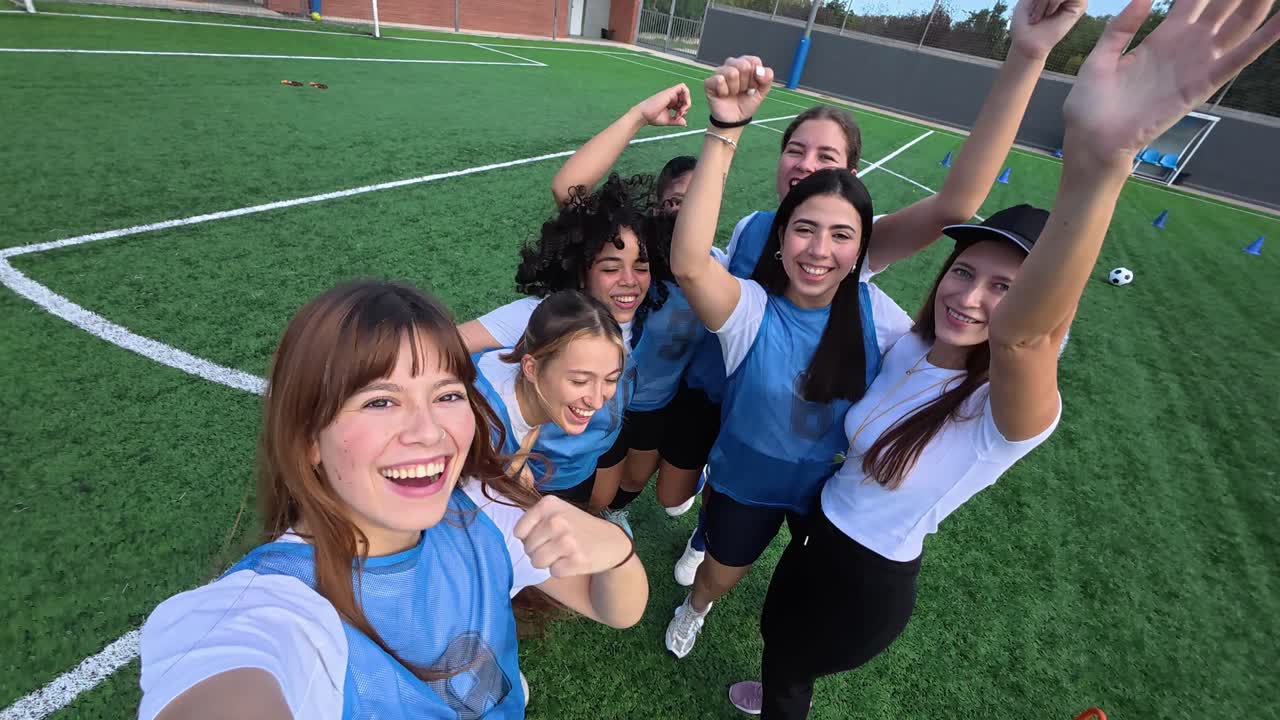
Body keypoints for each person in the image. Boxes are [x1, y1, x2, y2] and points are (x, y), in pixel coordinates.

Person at [726, 0, 1280, 715]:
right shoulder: (906, 341)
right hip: (819, 526)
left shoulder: (1006, 415)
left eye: (1004, 288)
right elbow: (928, 235)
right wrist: (1023, 55)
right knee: (778, 644)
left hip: (864, 580)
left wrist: (1100, 163)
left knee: (792, 676)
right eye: (964, 272)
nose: (973, 298)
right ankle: (775, 683)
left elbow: (1024, 336)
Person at [671, 0, 1089, 590]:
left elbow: (956, 204)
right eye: (797, 150)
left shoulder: (857, 273)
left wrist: (1026, 58)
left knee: (784, 547)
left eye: (828, 158)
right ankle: (708, 534)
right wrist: (725, 129)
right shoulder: (753, 233)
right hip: (734, 389)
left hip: (809, 448)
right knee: (717, 500)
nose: (807, 166)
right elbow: (693, 268)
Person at [138, 281, 647, 720]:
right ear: (308, 438)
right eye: (381, 401)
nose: (429, 433)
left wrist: (616, 552)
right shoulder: (270, 613)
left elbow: (620, 611)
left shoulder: (486, 511)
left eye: (447, 395)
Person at [550, 84, 726, 526]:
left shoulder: (719, 270)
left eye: (695, 203)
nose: (683, 214)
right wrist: (637, 117)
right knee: (600, 490)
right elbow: (569, 192)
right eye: (673, 202)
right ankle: (599, 519)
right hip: (605, 399)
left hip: (657, 403)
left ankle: (617, 513)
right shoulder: (636, 248)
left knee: (636, 479)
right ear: (658, 206)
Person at [459, 176, 661, 517]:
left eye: (641, 267)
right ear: (583, 273)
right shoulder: (539, 318)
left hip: (584, 453)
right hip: (540, 469)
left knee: (589, 508)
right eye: (611, 268)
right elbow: (439, 348)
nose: (629, 279)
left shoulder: (640, 314)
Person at [471, 290, 627, 494]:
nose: (597, 402)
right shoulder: (482, 432)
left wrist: (520, 457)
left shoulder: (509, 368)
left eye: (611, 379)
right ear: (531, 369)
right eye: (579, 381)